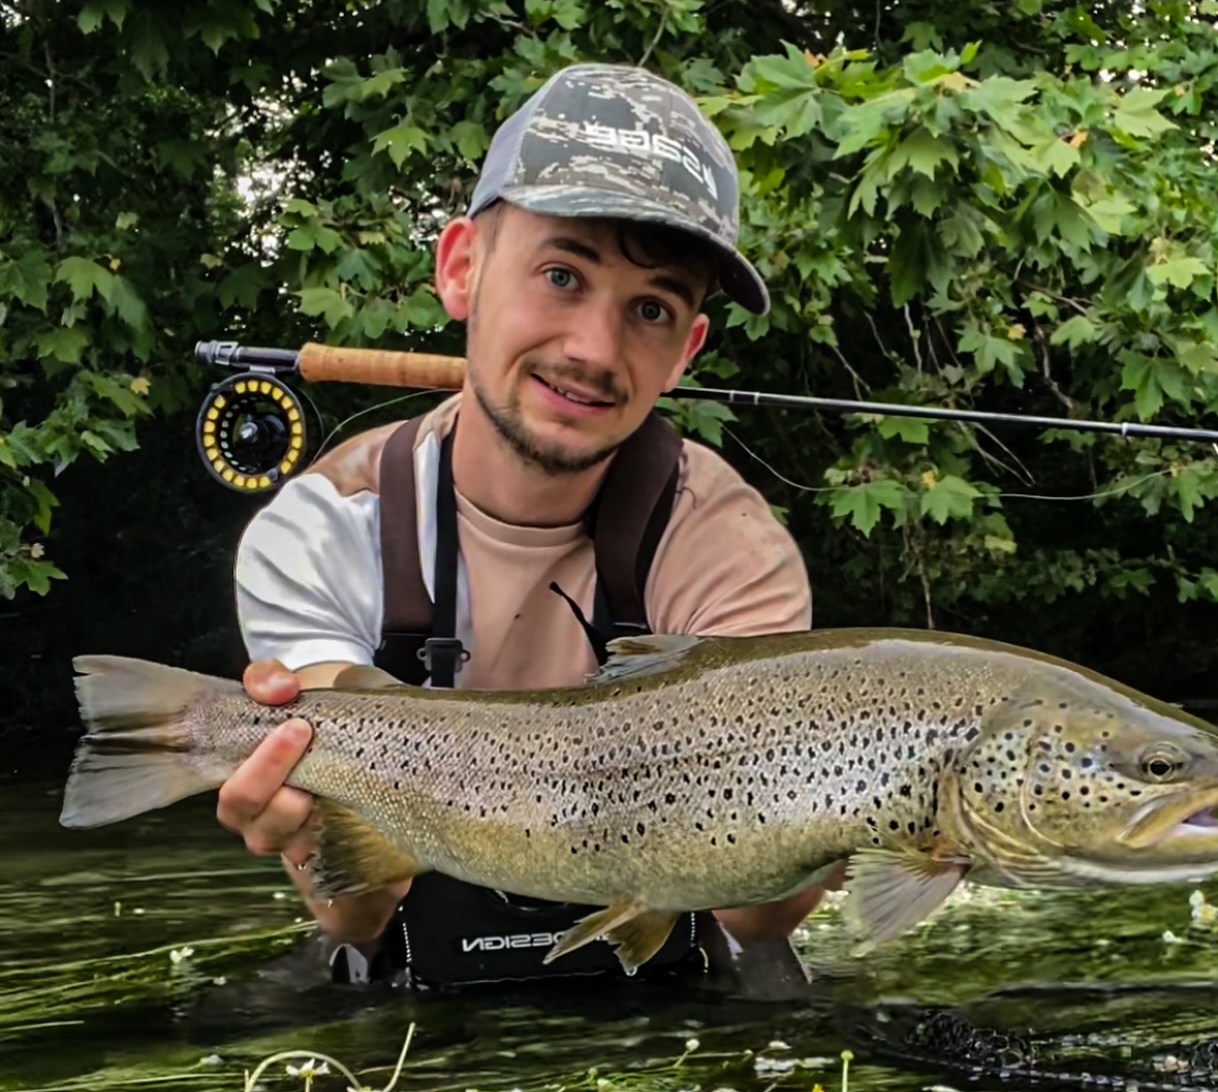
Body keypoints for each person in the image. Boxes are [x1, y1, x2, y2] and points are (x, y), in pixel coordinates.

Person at [218, 61, 824, 991]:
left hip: (661, 961)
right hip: (412, 955)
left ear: (688, 349)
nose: (593, 350)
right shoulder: (320, 533)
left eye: (652, 309)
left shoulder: (729, 551)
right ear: (461, 269)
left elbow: (753, 915)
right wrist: (310, 833)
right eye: (560, 274)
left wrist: (847, 819)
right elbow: (355, 908)